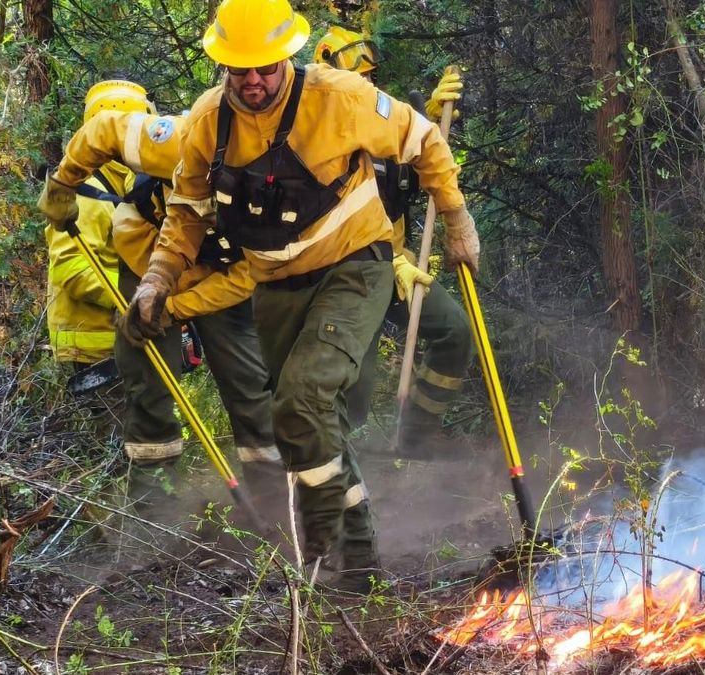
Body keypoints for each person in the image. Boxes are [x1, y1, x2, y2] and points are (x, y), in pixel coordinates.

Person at [125, 0, 477, 591]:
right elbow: (186, 211)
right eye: (240, 69)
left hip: (354, 265)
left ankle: (322, 546)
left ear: (287, 56)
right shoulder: (207, 121)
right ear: (224, 65)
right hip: (274, 284)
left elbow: (422, 139)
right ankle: (360, 560)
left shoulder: (340, 97)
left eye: (265, 67)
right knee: (311, 423)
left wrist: (457, 219)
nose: (254, 80)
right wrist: (158, 279)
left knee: (303, 395)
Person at [36, 83, 283, 522]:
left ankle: (275, 498)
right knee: (149, 388)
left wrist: (177, 310)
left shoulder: (287, 200)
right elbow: (104, 131)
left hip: (220, 272)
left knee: (250, 381)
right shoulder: (179, 143)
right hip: (150, 258)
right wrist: (62, 185)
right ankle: (154, 513)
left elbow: (244, 279)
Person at [313, 24, 474, 451]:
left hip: (397, 268)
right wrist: (387, 258)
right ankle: (337, 471)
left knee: (455, 333)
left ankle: (419, 438)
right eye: (355, 78)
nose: (364, 86)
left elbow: (413, 164)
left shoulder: (379, 120)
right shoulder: (317, 141)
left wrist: (429, 120)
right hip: (348, 276)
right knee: (355, 386)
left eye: (368, 77)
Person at [43, 81, 145, 393]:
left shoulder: (123, 181)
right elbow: (71, 269)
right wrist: (135, 298)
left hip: (114, 335)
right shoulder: (86, 192)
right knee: (117, 423)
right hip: (93, 347)